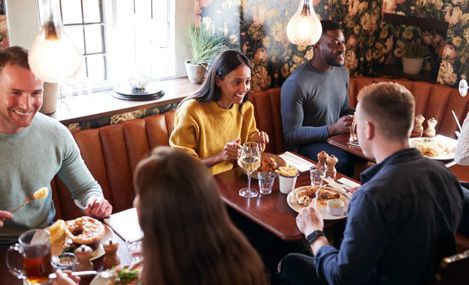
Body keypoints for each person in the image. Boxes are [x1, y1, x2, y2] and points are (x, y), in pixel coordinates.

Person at [277, 82, 464, 284]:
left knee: (290, 264)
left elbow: (342, 278)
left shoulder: (373, 197)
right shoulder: (447, 178)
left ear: (368, 130)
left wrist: (314, 233)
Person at [55, 146, 267, 285]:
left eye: (139, 194)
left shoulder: (165, 275)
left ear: (156, 216)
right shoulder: (244, 260)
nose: (135, 200)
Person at [0, 46, 112, 243]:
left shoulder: (56, 134)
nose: (27, 105)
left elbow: (86, 188)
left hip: (46, 243)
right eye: (16, 93)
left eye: (36, 93)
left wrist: (94, 202)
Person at [170, 49, 268, 175]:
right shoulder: (191, 111)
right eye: (237, 82)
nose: (244, 88)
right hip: (198, 185)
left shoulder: (246, 108)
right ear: (218, 81)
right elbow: (183, 166)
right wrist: (220, 157)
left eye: (247, 81)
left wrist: (256, 143)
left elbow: (248, 150)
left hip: (233, 180)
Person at [280, 20, 355, 175]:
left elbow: (344, 109)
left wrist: (364, 114)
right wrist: (332, 128)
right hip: (305, 146)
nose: (342, 48)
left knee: (375, 152)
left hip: (335, 139)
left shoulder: (342, 72)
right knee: (343, 161)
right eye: (334, 43)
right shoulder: (296, 83)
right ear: (316, 46)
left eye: (342, 42)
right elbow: (291, 134)